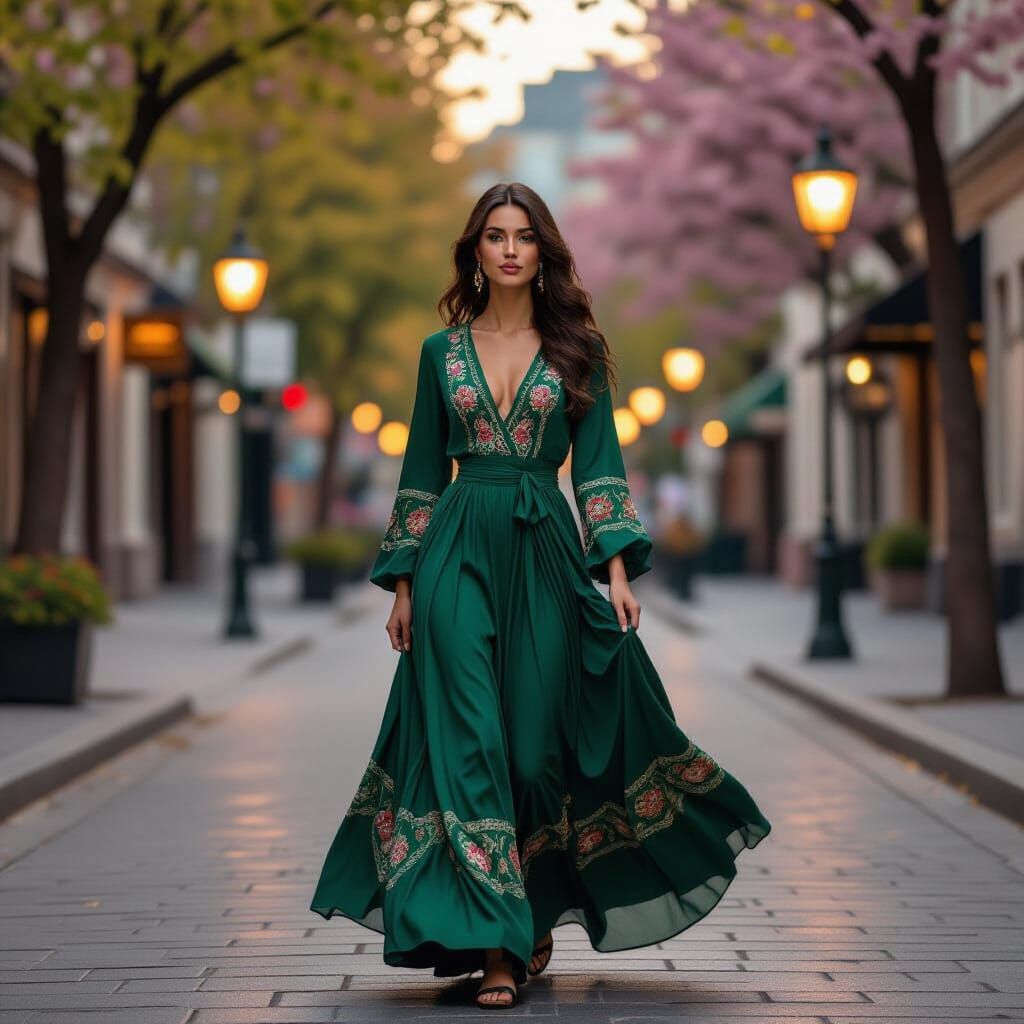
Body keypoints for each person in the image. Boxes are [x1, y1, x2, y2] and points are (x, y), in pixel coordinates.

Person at [309, 182, 772, 1010]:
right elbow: (420, 467)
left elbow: (597, 466)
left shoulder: (578, 350)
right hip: (456, 549)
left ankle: (531, 899)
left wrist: (619, 570)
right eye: (495, 235)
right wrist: (404, 582)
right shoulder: (438, 353)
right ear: (476, 251)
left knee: (530, 753)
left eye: (524, 235)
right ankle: (496, 946)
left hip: (548, 556)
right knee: (470, 743)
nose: (511, 248)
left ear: (544, 250)